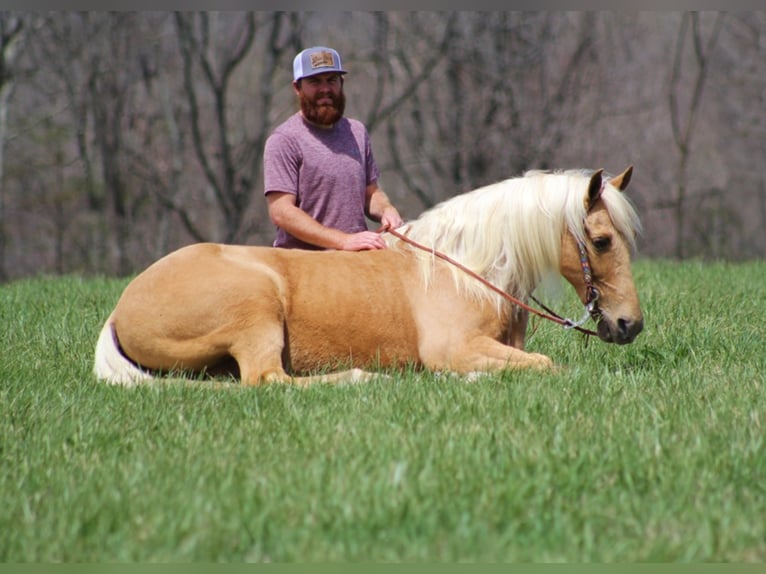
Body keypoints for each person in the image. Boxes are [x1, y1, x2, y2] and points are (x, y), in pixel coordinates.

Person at [263, 46, 403, 251]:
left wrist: (386, 210)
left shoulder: (357, 132)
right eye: (315, 82)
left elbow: (370, 193)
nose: (325, 89)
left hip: (354, 258)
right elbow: (281, 211)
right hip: (302, 263)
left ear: (341, 83)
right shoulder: (284, 140)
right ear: (297, 87)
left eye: (331, 80)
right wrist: (343, 241)